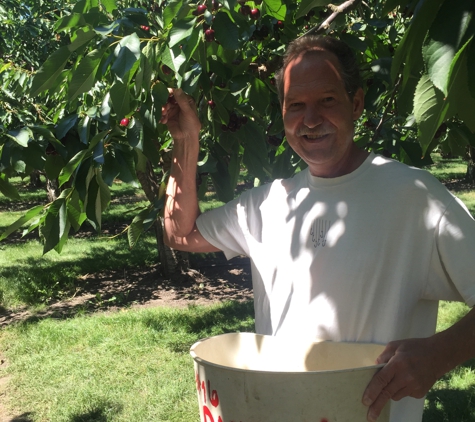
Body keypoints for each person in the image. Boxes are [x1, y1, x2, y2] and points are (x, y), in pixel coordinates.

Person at [160, 35, 475, 422]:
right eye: (296, 106)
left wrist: (440, 354)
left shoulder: (416, 197)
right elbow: (180, 233)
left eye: (326, 100)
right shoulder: (269, 204)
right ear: (283, 113)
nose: (310, 120)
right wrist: (186, 140)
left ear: (355, 102)